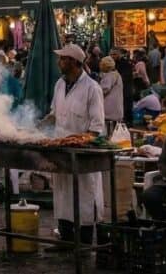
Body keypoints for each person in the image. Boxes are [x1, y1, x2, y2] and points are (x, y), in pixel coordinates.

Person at [44, 43, 105, 244]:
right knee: (62, 195)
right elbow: (54, 114)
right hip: (60, 150)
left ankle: (85, 242)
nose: (59, 62)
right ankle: (66, 239)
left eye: (62, 59)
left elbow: (96, 128)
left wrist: (76, 142)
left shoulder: (92, 88)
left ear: (73, 62)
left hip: (81, 154)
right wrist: (37, 125)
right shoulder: (59, 84)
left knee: (83, 197)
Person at [97, 56, 124, 131]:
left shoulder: (110, 75)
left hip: (109, 110)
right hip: (117, 109)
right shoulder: (117, 74)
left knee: (108, 132)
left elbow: (104, 89)